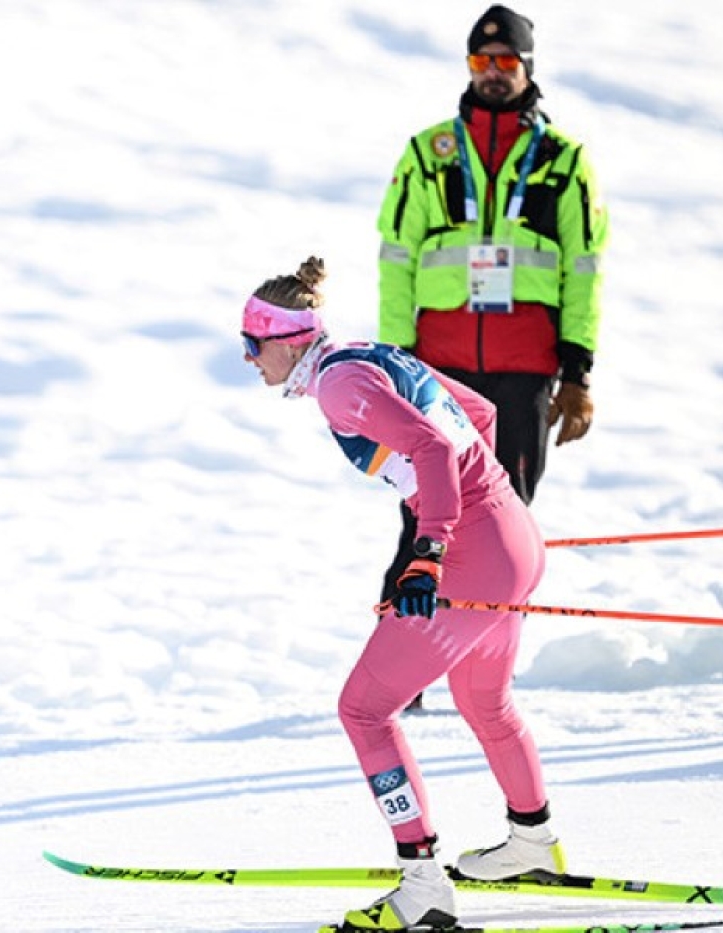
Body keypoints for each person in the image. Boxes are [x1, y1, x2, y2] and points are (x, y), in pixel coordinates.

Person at [241, 257, 563, 931]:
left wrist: (433, 547)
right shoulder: (366, 355)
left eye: (253, 344)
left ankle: (423, 883)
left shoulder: (339, 387)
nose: (249, 360)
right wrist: (486, 510)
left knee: (363, 709)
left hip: (475, 552)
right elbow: (474, 413)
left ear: (287, 339)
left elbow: (432, 450)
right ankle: (532, 840)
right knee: (484, 698)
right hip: (510, 539)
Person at [375, 4, 609, 709]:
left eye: (506, 62)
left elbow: (585, 267)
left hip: (524, 369)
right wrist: (395, 360)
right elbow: (396, 260)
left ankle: (479, 672)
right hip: (439, 367)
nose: (494, 74)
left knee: (503, 523)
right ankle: (399, 672)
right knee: (423, 514)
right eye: (482, 62)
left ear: (528, 68)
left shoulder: (564, 162)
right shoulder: (427, 154)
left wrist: (578, 371)